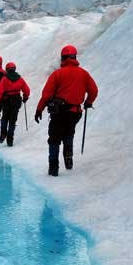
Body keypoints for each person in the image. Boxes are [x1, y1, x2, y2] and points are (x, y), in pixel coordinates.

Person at [34, 45, 98, 176]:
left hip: (59, 112)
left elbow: (46, 95)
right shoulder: (84, 74)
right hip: (75, 113)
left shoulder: (57, 74)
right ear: (75, 57)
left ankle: (53, 168)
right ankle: (68, 159)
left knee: (54, 139)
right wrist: (88, 102)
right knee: (69, 133)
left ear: (62, 58)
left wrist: (39, 109)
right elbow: (94, 90)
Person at [0, 62, 30, 146]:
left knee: (5, 118)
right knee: (12, 120)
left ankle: (3, 133)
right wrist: (25, 97)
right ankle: (10, 139)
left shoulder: (5, 79)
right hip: (16, 100)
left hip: (7, 100)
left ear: (7, 69)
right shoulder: (20, 78)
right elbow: (27, 89)